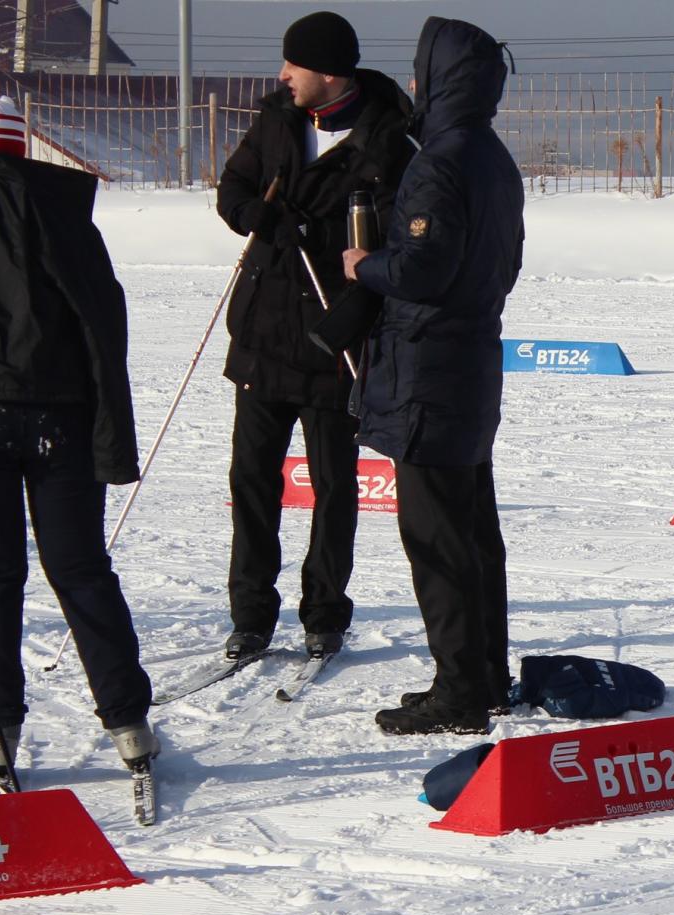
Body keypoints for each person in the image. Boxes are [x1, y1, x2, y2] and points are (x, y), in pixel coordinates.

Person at [342, 15, 525, 736]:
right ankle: (484, 676)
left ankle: (460, 690)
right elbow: (503, 262)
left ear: (441, 79)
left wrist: (365, 265)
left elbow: (421, 269)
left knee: (439, 538)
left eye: (420, 71)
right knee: (473, 531)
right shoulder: (493, 157)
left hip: (431, 372)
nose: (412, 83)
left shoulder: (441, 160)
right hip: (472, 362)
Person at [215, 10, 415, 666]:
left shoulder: (388, 138)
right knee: (251, 479)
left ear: (329, 72)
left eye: (292, 64)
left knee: (334, 485)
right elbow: (233, 188)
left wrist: (324, 238)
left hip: (335, 339)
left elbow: (396, 239)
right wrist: (259, 217)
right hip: (263, 332)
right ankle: (250, 613)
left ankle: (324, 612)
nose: (282, 75)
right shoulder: (277, 117)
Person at [0, 97, 157, 788]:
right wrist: (113, 439)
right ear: (21, 147)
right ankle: (128, 724)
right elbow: (102, 333)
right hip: (64, 421)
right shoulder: (62, 211)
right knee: (81, 571)